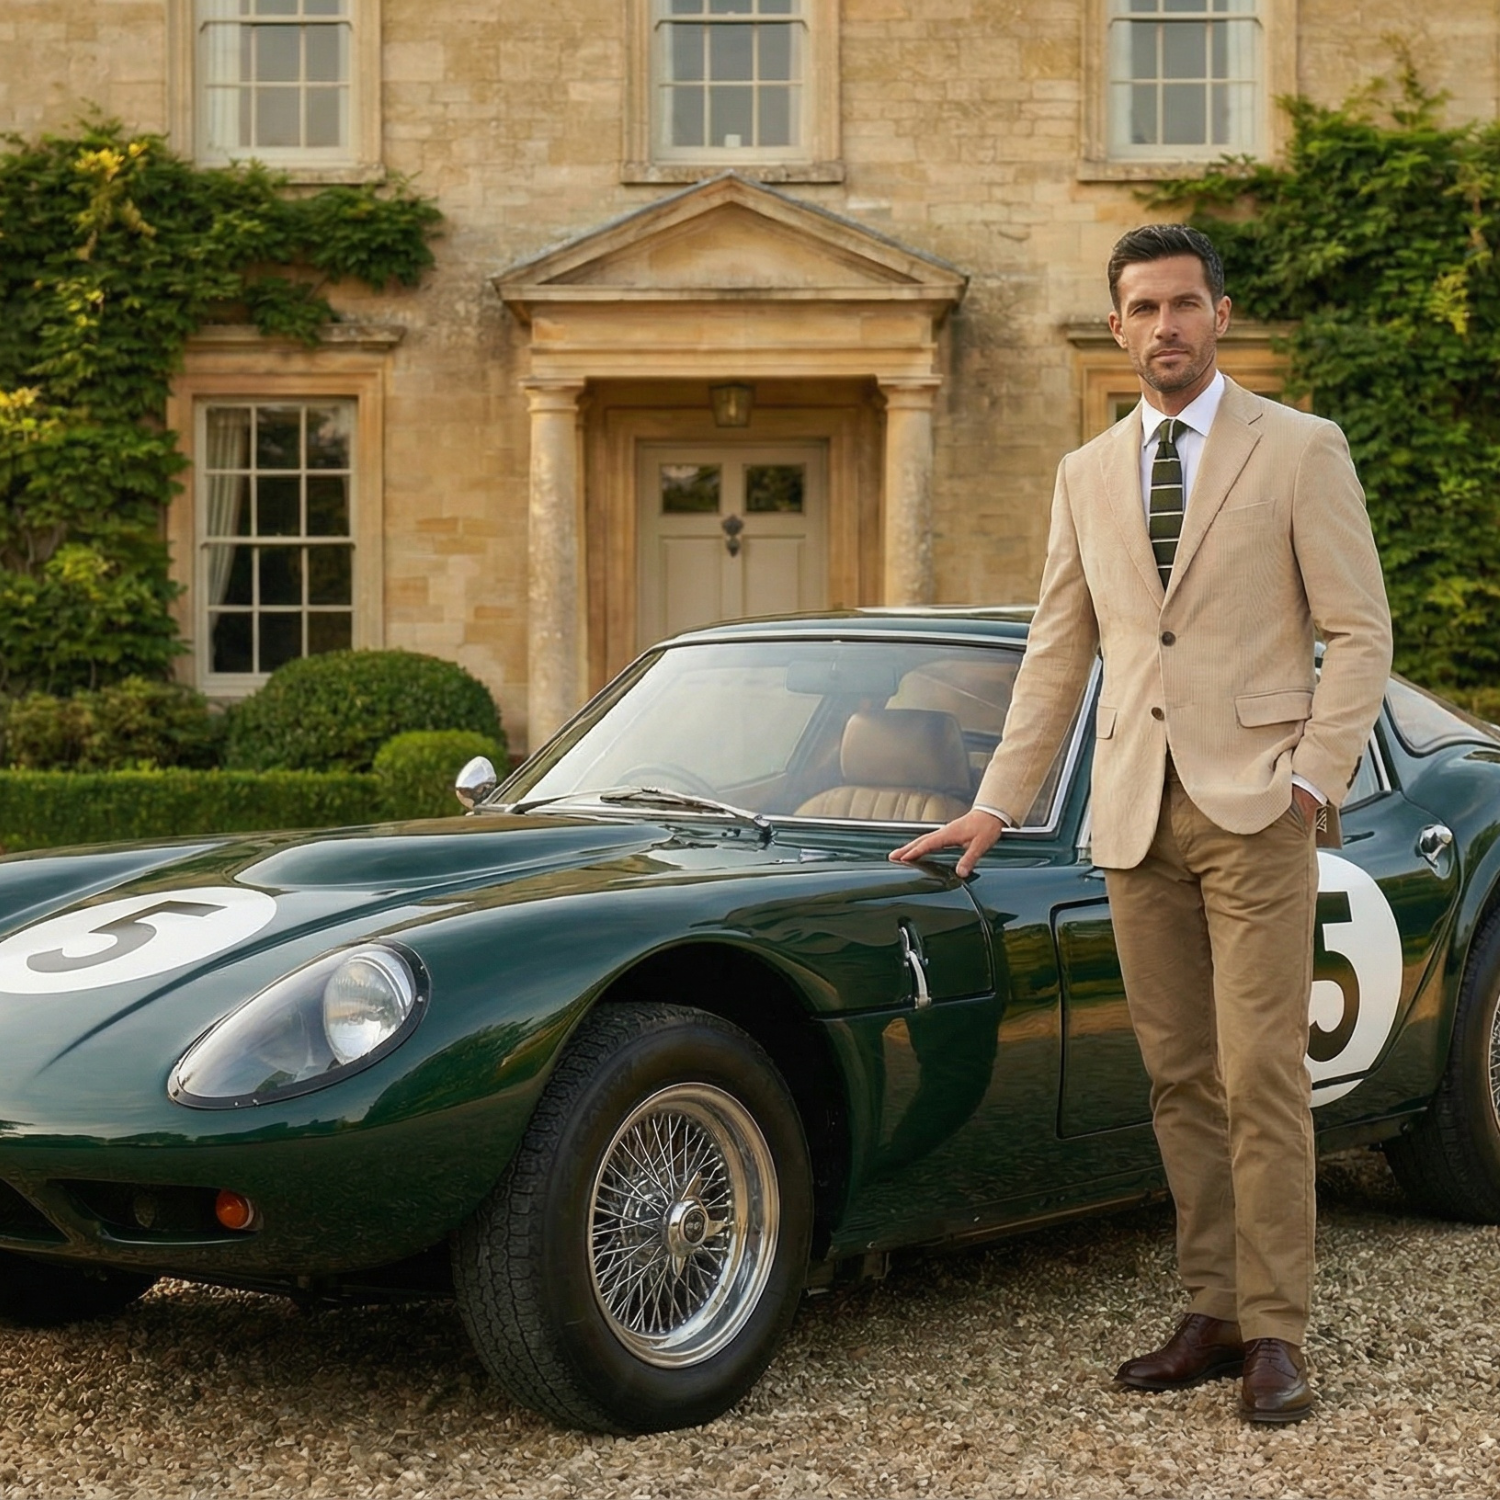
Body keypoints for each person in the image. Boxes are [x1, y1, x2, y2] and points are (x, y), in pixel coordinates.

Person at [891, 223, 1392, 1424]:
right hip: (1129, 813)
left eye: (1184, 303)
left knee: (1260, 1072)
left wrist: (1312, 780)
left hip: (1257, 806)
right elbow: (1057, 653)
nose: (1166, 326)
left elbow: (1360, 630)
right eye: (1144, 308)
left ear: (1220, 314)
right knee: (1177, 1077)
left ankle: (1277, 1328)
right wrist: (998, 801)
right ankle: (1211, 1307)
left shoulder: (1301, 448)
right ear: (1117, 327)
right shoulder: (1085, 473)